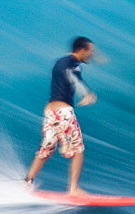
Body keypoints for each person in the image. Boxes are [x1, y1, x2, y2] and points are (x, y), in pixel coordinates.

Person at [24, 36, 98, 195]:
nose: (91, 55)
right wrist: (85, 92)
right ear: (81, 50)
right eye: (90, 51)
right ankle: (73, 189)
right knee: (78, 151)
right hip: (63, 113)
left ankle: (27, 182)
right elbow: (73, 78)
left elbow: (69, 75)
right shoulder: (72, 64)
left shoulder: (61, 62)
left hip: (50, 113)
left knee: (46, 150)